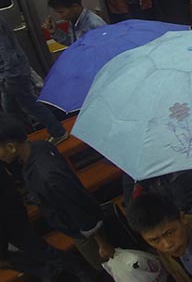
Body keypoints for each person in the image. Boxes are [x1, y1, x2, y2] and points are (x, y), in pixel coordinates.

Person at [0, 114, 113, 269]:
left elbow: (77, 209)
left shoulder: (47, 177)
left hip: (86, 234)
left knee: (109, 267)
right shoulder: (39, 146)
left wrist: (102, 243)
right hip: (77, 225)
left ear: (11, 147)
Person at [1, 162, 99, 281]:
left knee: (35, 248)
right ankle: (60, 271)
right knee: (34, 248)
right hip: (10, 203)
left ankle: (75, 270)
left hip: (8, 209)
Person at [0, 19, 67, 144]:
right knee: (14, 108)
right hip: (8, 73)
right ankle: (20, 142)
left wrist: (10, 76)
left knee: (27, 105)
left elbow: (8, 53)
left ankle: (58, 131)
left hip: (12, 74)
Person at [42, 0, 106, 46]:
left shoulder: (94, 24)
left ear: (75, 6)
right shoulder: (74, 19)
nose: (60, 17)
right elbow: (73, 44)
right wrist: (55, 31)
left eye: (61, 12)